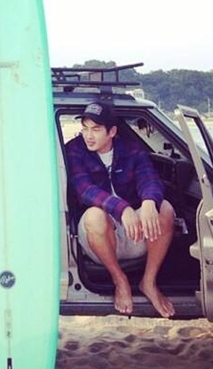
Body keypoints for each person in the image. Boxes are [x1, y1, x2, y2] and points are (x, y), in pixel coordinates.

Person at [65, 102, 175, 319]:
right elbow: (84, 190)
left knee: (165, 208)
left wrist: (149, 202)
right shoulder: (75, 149)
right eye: (85, 128)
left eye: (96, 130)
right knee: (94, 215)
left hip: (134, 233)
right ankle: (119, 279)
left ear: (112, 132)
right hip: (99, 240)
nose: (88, 136)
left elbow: (149, 179)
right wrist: (122, 208)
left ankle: (148, 282)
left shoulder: (131, 149)